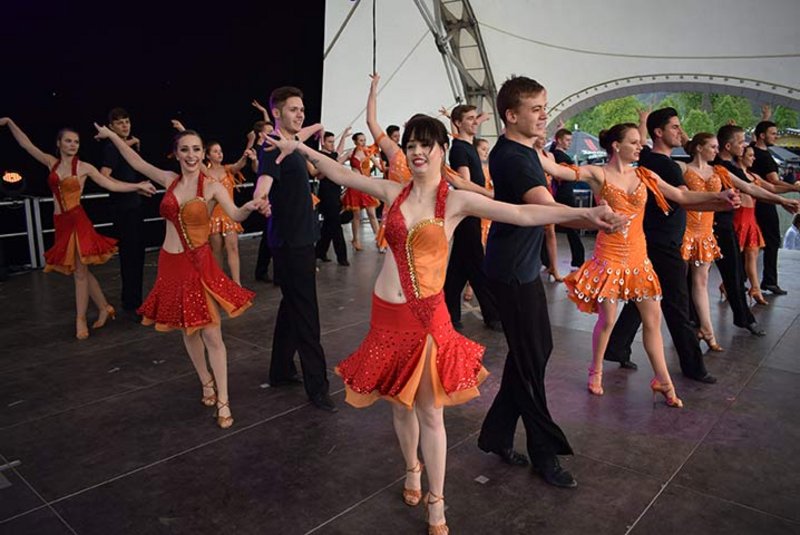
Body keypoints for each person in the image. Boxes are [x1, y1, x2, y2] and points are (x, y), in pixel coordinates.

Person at [264, 107, 625, 532]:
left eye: (425, 144)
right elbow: (340, 173)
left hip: (426, 317)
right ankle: (411, 469)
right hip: (386, 316)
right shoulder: (393, 192)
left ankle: (437, 500)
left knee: (430, 412)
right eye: (410, 145)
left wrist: (584, 216)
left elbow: (522, 213)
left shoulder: (454, 200)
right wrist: (298, 147)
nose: (416, 152)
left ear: (441, 149)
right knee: (399, 406)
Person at [476, 76, 627, 490]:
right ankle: (545, 451)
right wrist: (590, 216)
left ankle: (496, 434)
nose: (544, 115)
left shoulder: (527, 151)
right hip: (511, 270)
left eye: (545, 107)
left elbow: (557, 182)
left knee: (533, 353)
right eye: (536, 109)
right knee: (531, 358)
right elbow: (544, 207)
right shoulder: (513, 158)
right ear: (512, 115)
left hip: (519, 266)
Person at [94, 124, 268, 429]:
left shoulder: (211, 186)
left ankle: (224, 399)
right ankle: (205, 382)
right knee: (188, 331)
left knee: (212, 334)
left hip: (199, 265)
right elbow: (136, 162)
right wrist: (112, 137)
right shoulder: (168, 179)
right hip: (170, 264)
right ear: (176, 153)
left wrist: (250, 206)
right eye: (185, 149)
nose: (191, 155)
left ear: (202, 153)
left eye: (196, 149)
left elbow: (235, 213)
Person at [561, 124, 738, 402]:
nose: (640, 146)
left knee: (653, 321)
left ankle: (663, 381)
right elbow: (560, 171)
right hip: (610, 257)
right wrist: (533, 148)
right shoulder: (598, 174)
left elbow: (681, 196)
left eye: (640, 142)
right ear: (616, 146)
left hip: (639, 258)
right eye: (634, 142)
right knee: (608, 320)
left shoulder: (645, 175)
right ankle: (595, 370)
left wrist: (718, 197)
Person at [0, 118, 155, 339]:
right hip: (60, 222)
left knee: (80, 273)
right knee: (80, 271)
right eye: (68, 141)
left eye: (76, 142)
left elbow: (110, 184)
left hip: (77, 221)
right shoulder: (51, 162)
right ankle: (104, 307)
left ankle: (80, 319)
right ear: (59, 143)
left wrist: (136, 185)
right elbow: (26, 144)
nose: (73, 145)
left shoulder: (84, 167)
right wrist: (9, 122)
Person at [602, 108, 720, 382]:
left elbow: (643, 144)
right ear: (659, 132)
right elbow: (685, 198)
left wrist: (644, 122)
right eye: (675, 127)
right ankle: (693, 366)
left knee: (644, 297)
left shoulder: (645, 160)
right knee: (677, 306)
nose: (680, 132)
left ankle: (617, 346)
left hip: (649, 240)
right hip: (664, 244)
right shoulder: (665, 166)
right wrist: (720, 200)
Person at [253, 86, 337, 413]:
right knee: (306, 313)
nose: (299, 114)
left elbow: (302, 134)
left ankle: (280, 370)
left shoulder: (291, 143)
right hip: (291, 243)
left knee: (292, 306)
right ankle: (318, 387)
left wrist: (315, 127)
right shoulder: (273, 145)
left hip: (298, 238)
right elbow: (264, 180)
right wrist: (260, 198)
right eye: (293, 109)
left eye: (302, 109)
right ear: (276, 113)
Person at [713, 124, 798, 335]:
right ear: (728, 146)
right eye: (741, 142)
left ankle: (743, 315)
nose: (744, 146)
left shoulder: (728, 168)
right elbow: (752, 189)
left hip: (724, 224)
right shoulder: (720, 167)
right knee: (725, 272)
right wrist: (782, 200)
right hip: (721, 225)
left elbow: (756, 188)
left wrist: (784, 198)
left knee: (736, 269)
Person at [171, 119, 256, 285]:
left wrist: (251, 141)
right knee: (216, 251)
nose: (220, 154)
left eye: (221, 151)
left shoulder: (228, 169)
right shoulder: (205, 171)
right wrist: (182, 129)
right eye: (216, 151)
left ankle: (237, 283)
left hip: (229, 215)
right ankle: (219, 283)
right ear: (207, 155)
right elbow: (195, 152)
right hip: (213, 217)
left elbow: (241, 162)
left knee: (233, 248)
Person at [443, 104, 501, 331]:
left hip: (472, 211)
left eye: (475, 118)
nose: (475, 122)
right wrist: (488, 193)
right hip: (467, 212)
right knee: (476, 264)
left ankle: (449, 313)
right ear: (458, 123)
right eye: (469, 118)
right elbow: (463, 183)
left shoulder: (468, 147)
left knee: (459, 267)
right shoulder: (459, 149)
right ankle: (492, 314)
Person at [679, 133, 726, 351]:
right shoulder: (683, 168)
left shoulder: (718, 171)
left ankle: (707, 330)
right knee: (678, 284)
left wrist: (780, 198)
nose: (716, 151)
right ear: (699, 148)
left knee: (701, 282)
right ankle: (686, 329)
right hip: (685, 231)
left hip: (706, 233)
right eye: (713, 147)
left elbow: (750, 187)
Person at [736, 145, 800, 303]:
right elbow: (763, 190)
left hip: (751, 218)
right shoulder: (736, 176)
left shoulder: (753, 176)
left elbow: (772, 188)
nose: (753, 158)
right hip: (739, 218)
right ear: (740, 157)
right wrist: (785, 199)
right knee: (738, 256)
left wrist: (793, 189)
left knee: (752, 254)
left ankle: (755, 289)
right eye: (750, 155)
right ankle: (728, 284)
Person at [99, 107, 147, 320]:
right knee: (131, 257)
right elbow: (104, 176)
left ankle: (133, 301)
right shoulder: (112, 148)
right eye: (119, 123)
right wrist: (133, 187)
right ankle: (132, 304)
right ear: (111, 127)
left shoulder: (124, 147)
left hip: (133, 207)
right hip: (123, 209)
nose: (125, 125)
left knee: (136, 256)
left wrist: (135, 190)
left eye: (127, 121)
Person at [750, 117, 800, 295]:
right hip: (764, 202)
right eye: (773, 133)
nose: (776, 136)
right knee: (770, 241)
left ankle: (741, 279)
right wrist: (794, 188)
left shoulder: (753, 151)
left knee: (751, 243)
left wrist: (765, 118)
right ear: (762, 136)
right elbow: (773, 183)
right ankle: (769, 280)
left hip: (756, 201)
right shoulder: (764, 157)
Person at [313, 130, 350, 266]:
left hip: (335, 191)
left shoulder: (331, 155)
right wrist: (335, 164)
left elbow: (338, 152)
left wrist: (344, 136)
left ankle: (320, 251)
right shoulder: (320, 155)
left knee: (329, 225)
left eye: (333, 142)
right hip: (327, 193)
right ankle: (342, 257)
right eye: (329, 142)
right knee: (335, 225)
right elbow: (319, 174)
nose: (332, 144)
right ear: (323, 142)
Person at [551, 128, 586, 269]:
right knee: (572, 226)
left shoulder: (557, 153)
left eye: (570, 140)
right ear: (559, 140)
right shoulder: (558, 155)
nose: (569, 143)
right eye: (567, 140)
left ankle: (577, 258)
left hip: (565, 192)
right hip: (564, 193)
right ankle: (578, 259)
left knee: (560, 227)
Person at [342, 132, 381, 251]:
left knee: (372, 214)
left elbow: (379, 167)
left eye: (364, 140)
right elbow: (337, 162)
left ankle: (379, 240)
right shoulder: (351, 153)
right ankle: (356, 240)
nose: (363, 142)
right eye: (361, 140)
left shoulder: (368, 152)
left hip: (366, 185)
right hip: (354, 185)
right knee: (357, 216)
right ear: (355, 142)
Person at [534, 135, 565, 282]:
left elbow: (556, 174)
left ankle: (554, 267)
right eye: (540, 138)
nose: (543, 140)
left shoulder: (549, 156)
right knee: (534, 232)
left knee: (551, 232)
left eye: (544, 138)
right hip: (535, 195)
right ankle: (538, 265)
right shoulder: (529, 154)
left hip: (547, 193)